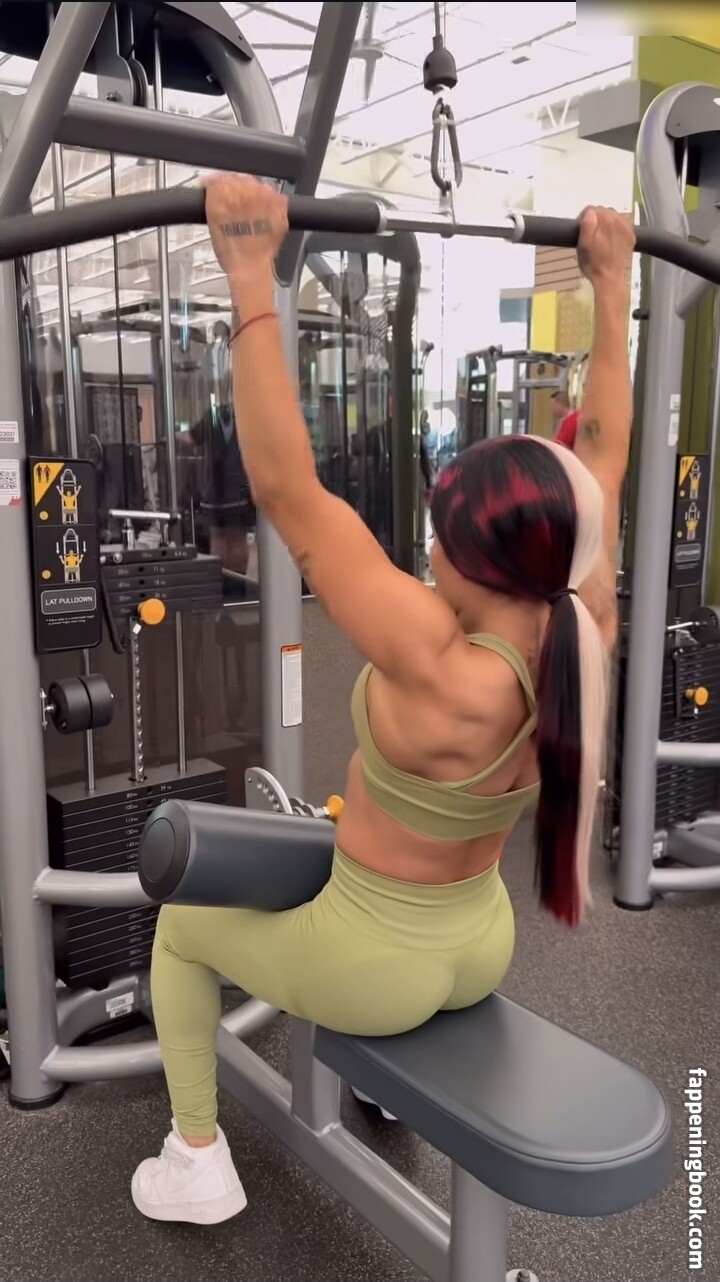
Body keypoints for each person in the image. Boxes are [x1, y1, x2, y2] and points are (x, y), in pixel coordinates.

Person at [131, 185, 634, 1225]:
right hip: (478, 939)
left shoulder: (433, 650)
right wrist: (613, 284)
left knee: (180, 929)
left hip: (375, 959)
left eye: (440, 538)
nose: (428, 552)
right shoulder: (584, 619)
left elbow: (289, 491)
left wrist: (250, 276)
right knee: (326, 874)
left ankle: (196, 1159)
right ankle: (385, 1076)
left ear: (473, 560)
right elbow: (605, 457)